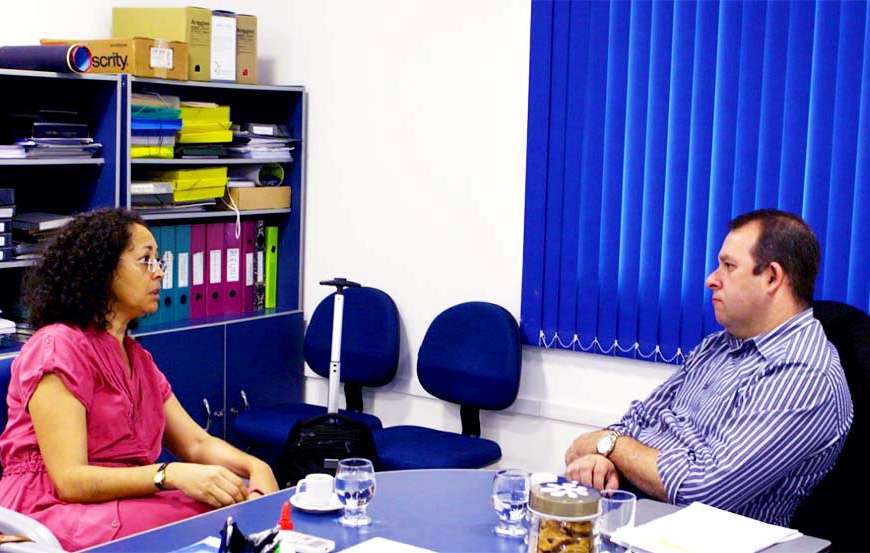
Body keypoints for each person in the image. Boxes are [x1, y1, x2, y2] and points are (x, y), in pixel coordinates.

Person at [0, 209, 280, 551]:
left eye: (158, 261)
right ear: (101, 270)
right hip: (50, 508)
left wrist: (255, 466)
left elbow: (196, 443)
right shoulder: (58, 346)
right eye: (145, 260)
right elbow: (70, 480)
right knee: (212, 516)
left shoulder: (138, 359)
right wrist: (170, 474)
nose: (159, 272)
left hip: (122, 500)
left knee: (232, 499)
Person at [564, 209, 853, 526]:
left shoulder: (802, 375)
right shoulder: (719, 345)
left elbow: (702, 488)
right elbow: (640, 421)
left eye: (729, 266)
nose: (711, 279)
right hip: (644, 512)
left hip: (708, 534)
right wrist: (601, 459)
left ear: (772, 277)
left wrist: (610, 446)